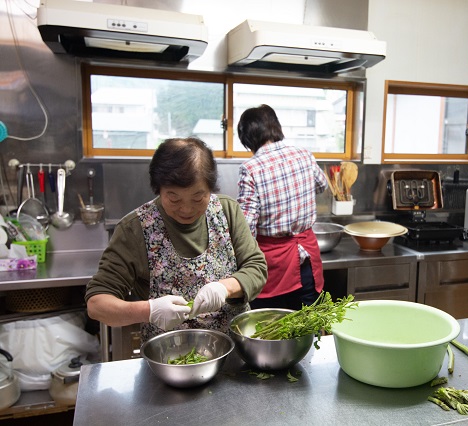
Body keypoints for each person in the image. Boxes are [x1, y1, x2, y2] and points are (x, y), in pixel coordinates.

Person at [85, 137, 267, 343]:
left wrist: (225, 288)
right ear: (158, 188)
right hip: (170, 359)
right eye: (174, 198)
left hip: (235, 349)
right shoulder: (135, 229)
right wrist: (149, 310)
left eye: (198, 198)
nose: (187, 209)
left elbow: (256, 268)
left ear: (211, 188)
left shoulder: (227, 211)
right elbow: (97, 304)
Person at [236, 104, 328, 311]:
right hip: (307, 257)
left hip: (272, 266)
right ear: (276, 127)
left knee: (270, 329)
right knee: (309, 325)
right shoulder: (304, 155)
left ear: (247, 138)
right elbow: (322, 185)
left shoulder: (250, 168)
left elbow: (246, 227)